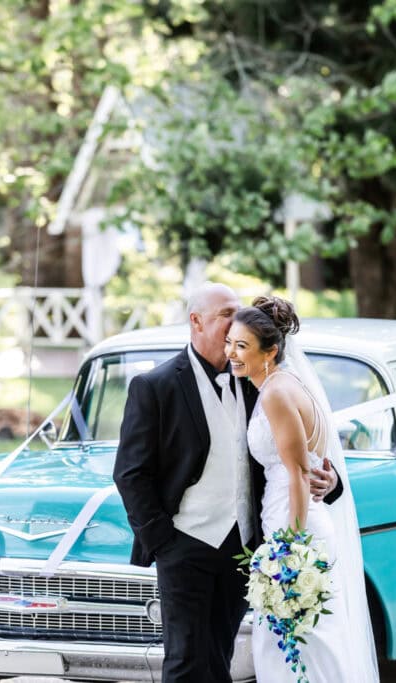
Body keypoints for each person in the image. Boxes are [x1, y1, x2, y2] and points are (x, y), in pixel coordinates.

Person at [112, 282, 341, 683]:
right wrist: (163, 541)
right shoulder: (155, 386)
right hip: (184, 544)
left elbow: (302, 440)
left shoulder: (258, 379)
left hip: (244, 546)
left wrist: (330, 478)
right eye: (224, 314)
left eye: (237, 313)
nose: (234, 322)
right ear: (196, 322)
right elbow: (130, 472)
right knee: (184, 660)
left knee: (221, 658)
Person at [226, 296, 379, 682]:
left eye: (241, 346)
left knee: (298, 646)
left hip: (296, 530)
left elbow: (296, 474)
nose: (230, 353)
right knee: (306, 643)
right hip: (293, 520)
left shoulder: (276, 393)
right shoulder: (284, 384)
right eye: (230, 342)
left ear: (270, 351)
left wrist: (288, 551)